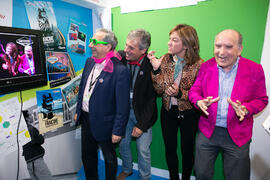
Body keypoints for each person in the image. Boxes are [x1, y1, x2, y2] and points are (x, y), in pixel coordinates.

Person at [188, 29, 268, 180]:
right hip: (207, 132)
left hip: (238, 134)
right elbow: (194, 91)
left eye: (228, 47)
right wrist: (199, 101)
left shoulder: (254, 69)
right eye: (218, 46)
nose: (221, 52)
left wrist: (247, 108)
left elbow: (262, 99)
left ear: (240, 49)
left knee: (237, 177)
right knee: (202, 174)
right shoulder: (206, 66)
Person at [148, 24, 203, 180]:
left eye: (174, 40)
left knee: (187, 150)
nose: (169, 43)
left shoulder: (199, 64)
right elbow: (159, 90)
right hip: (168, 112)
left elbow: (199, 94)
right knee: (170, 148)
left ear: (186, 44)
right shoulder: (165, 59)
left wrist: (181, 94)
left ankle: (185, 177)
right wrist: (156, 69)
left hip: (190, 113)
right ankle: (173, 178)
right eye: (169, 39)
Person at [74, 28, 130, 180]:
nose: (91, 45)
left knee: (109, 158)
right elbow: (83, 88)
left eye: (95, 42)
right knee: (87, 155)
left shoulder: (120, 70)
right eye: (91, 41)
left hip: (106, 123)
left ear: (108, 46)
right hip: (86, 119)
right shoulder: (89, 61)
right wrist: (78, 110)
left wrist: (118, 130)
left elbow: (123, 106)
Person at [117, 29, 157, 180]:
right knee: (123, 143)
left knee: (143, 149)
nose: (126, 50)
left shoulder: (151, 65)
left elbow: (151, 100)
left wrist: (141, 125)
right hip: (124, 113)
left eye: (131, 48)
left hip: (143, 114)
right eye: (126, 45)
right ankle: (127, 169)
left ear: (143, 50)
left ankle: (145, 177)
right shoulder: (120, 58)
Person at [22, 110, 53, 180]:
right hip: (37, 161)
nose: (31, 116)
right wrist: (41, 135)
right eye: (29, 115)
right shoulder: (31, 129)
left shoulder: (21, 132)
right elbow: (40, 140)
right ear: (26, 118)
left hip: (28, 162)